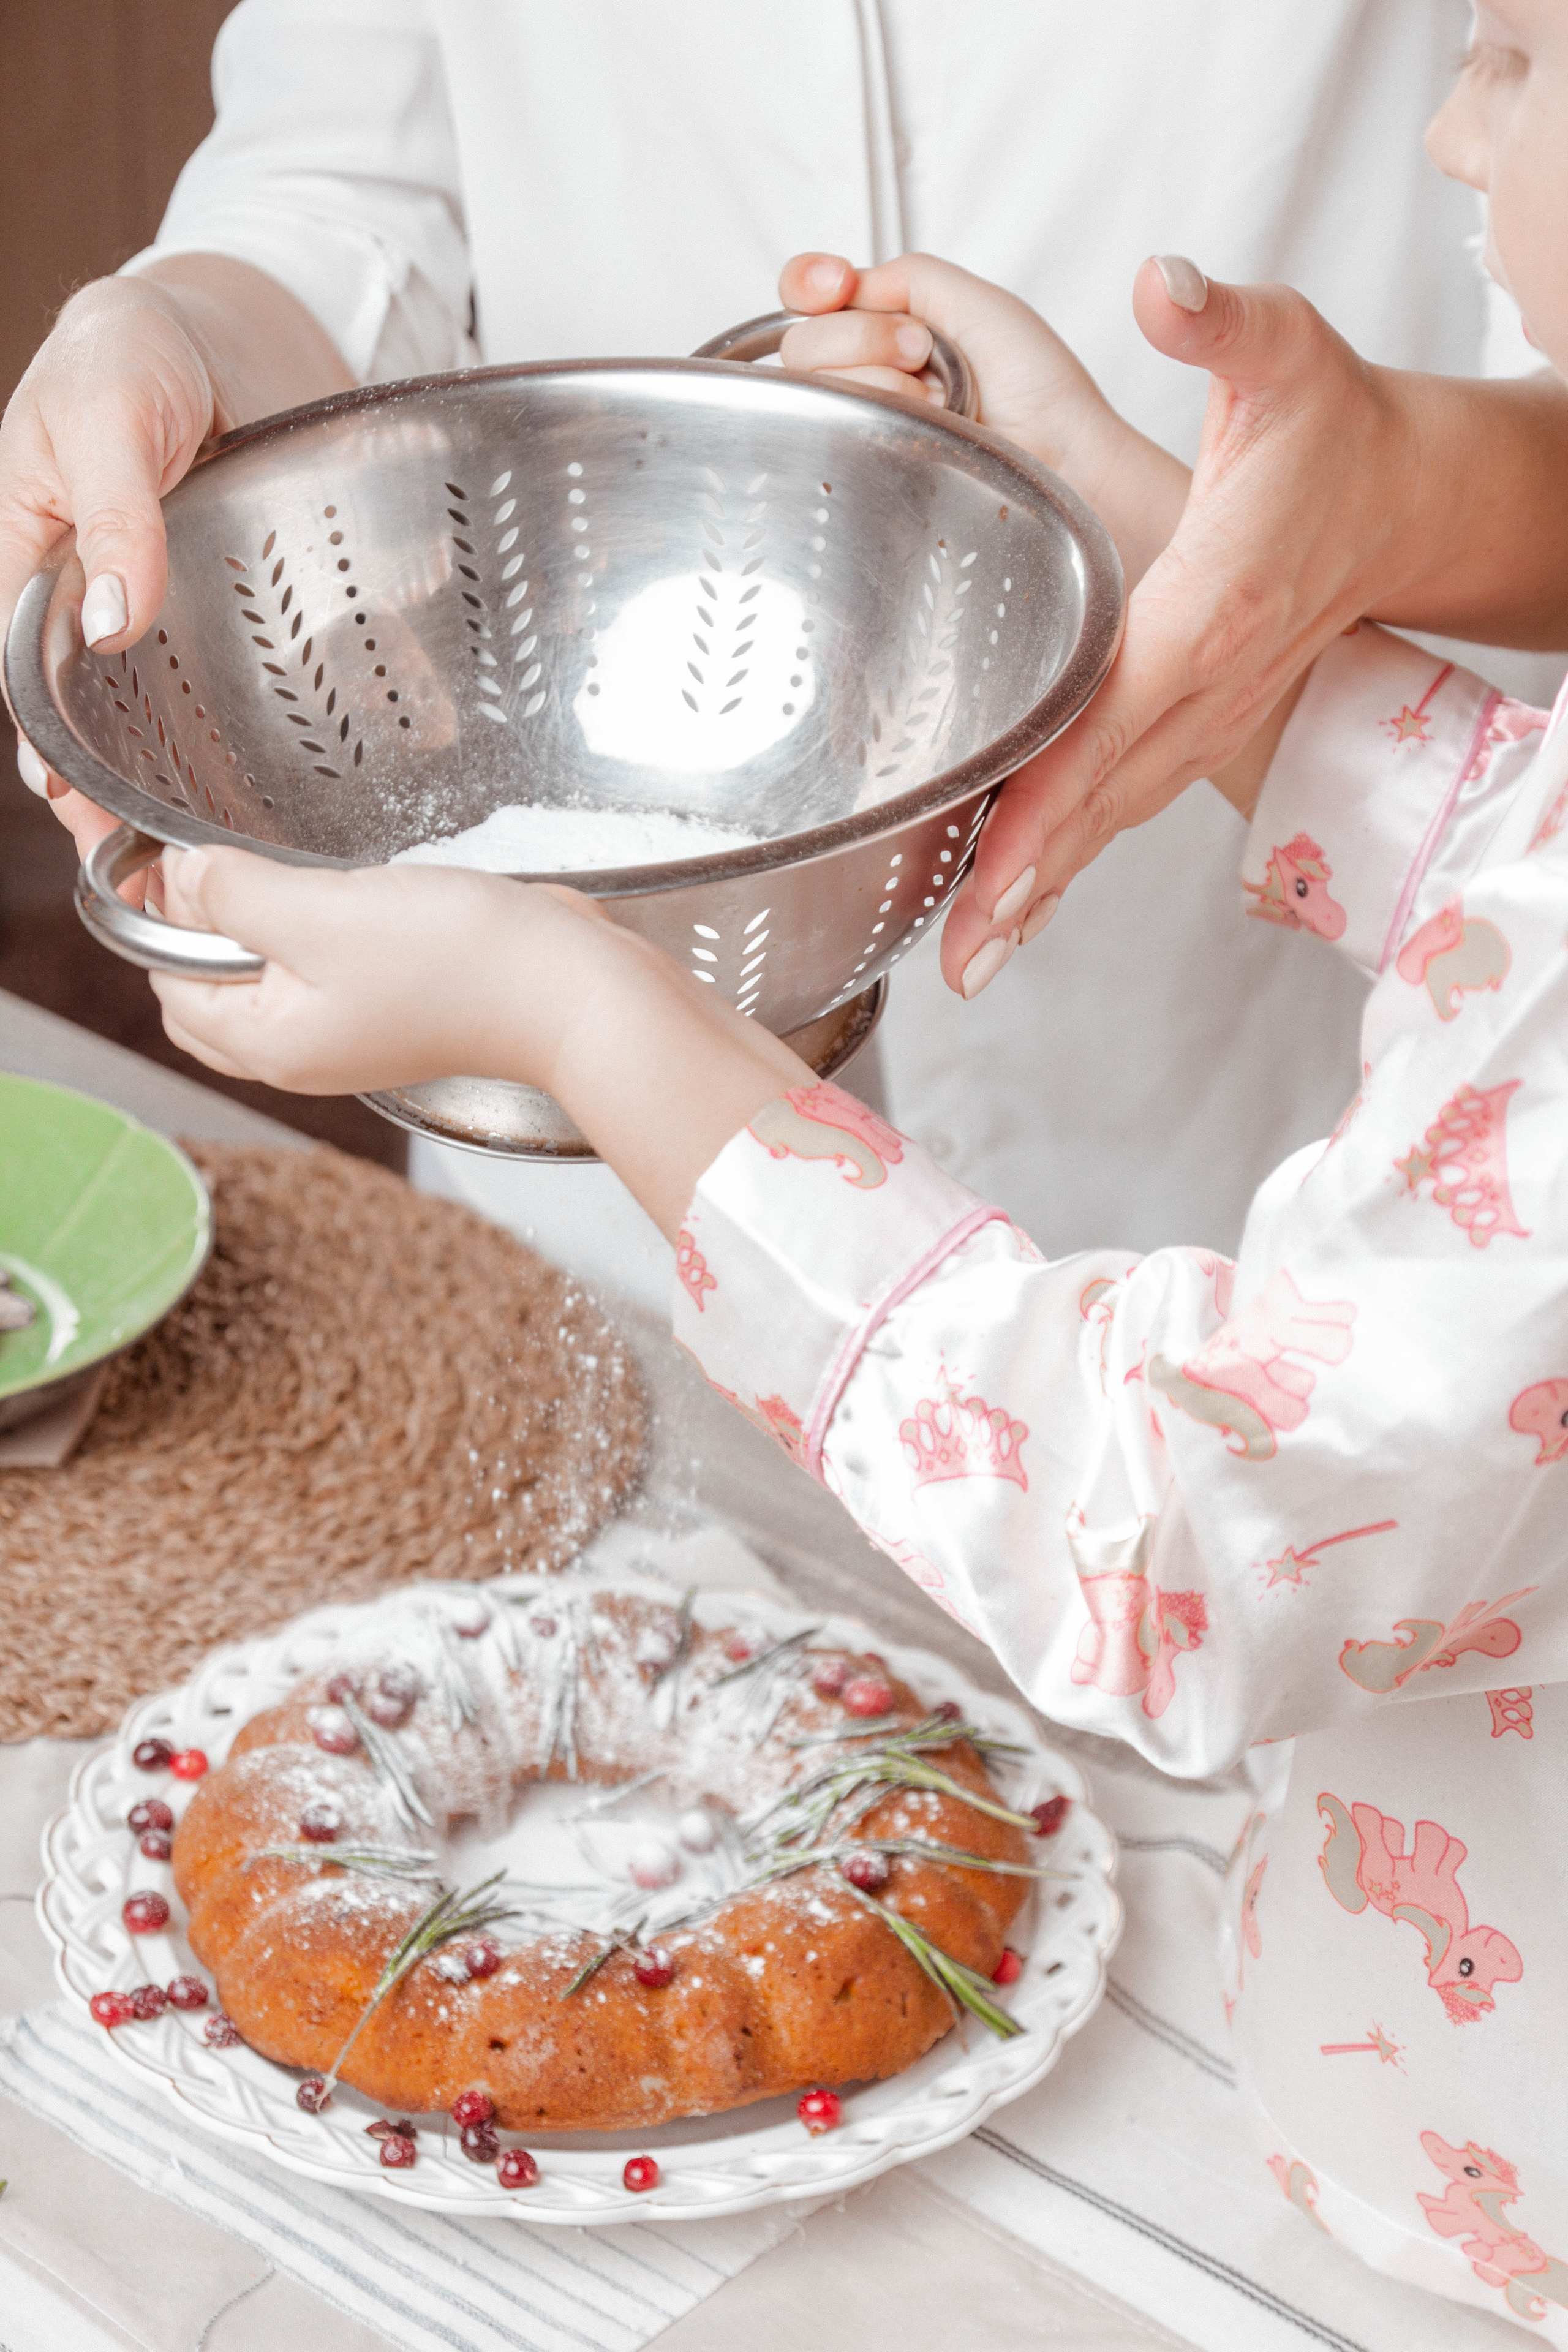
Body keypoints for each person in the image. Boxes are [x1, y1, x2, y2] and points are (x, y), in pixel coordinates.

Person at [135, 8, 1568, 2327]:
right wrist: (1145, 534)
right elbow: (1511, 870)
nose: (1445, 116)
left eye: (1513, 57)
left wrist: (584, 1007)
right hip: (1405, 2077)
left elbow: (1178, 1536)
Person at [8, 0, 1568, 1305]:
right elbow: (349, 174)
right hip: (559, 1087)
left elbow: (1144, 1507)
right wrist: (173, 334)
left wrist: (575, 1010)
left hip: (1252, 1097)